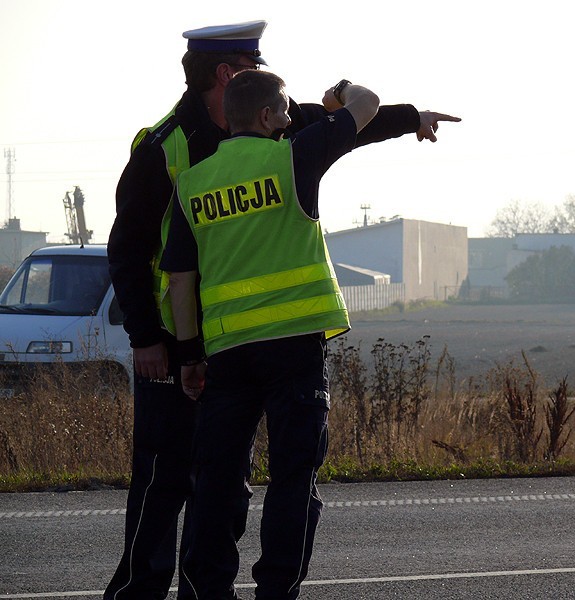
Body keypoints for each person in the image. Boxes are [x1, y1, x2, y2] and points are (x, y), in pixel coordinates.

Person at [106, 19, 460, 600]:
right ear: (230, 74)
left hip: (214, 348)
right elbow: (128, 249)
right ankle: (142, 593)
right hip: (181, 343)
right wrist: (148, 337)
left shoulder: (268, 129)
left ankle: (204, 593)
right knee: (165, 480)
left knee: (218, 481)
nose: (287, 109)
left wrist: (411, 118)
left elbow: (343, 128)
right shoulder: (165, 147)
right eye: (254, 63)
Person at [162, 69, 377, 599]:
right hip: (295, 349)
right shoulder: (292, 158)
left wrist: (190, 356)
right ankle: (275, 591)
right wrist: (339, 93)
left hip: (227, 354)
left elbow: (180, 284)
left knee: (216, 482)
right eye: (283, 111)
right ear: (265, 117)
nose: (289, 120)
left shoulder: (192, 185)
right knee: (292, 479)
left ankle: (211, 591)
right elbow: (368, 103)